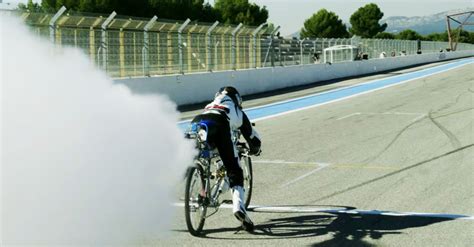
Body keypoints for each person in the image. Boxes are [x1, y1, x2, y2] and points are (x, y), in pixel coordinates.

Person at [191, 86, 262, 231]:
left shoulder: (210, 105)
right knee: (234, 169)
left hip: (198, 122)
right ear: (237, 99)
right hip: (220, 124)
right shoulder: (237, 111)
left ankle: (197, 186)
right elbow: (252, 137)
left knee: (197, 158)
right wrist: (256, 149)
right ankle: (238, 207)